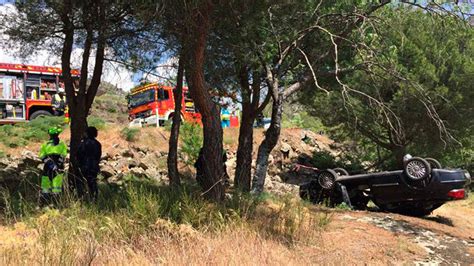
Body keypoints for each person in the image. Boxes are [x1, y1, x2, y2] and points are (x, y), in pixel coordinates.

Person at [39, 127, 67, 205]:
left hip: (47, 168)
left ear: (49, 135)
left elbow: (42, 156)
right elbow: (63, 156)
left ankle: (45, 204)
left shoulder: (45, 145)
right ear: (58, 134)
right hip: (59, 169)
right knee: (56, 188)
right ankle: (56, 205)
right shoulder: (62, 144)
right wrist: (57, 166)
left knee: (45, 188)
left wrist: (51, 165)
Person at [76, 126, 102, 201]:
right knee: (93, 183)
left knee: (82, 183)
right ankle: (94, 198)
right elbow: (98, 155)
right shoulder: (98, 144)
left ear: (87, 133)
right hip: (94, 166)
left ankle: (84, 199)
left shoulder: (83, 143)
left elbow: (78, 155)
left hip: (85, 166)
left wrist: (80, 163)